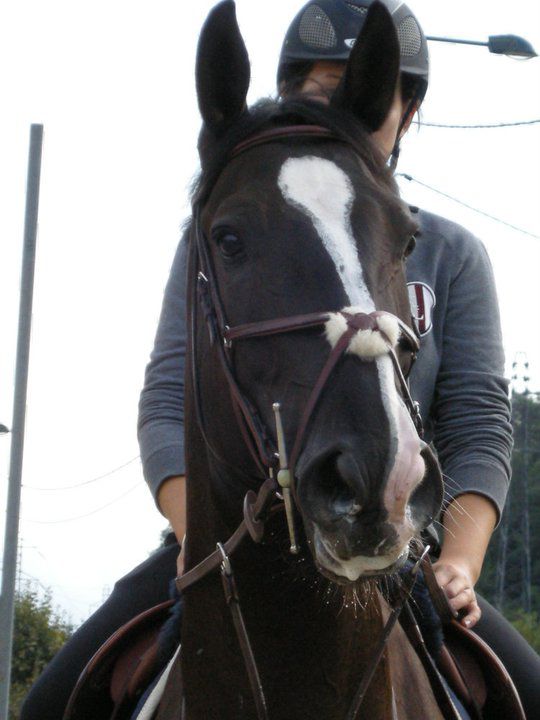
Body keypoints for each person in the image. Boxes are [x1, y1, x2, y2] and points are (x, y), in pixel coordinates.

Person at [20, 2, 540, 719]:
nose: (342, 116)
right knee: (53, 700)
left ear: (409, 115)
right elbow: (168, 400)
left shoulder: (451, 253)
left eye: (368, 102)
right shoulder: (221, 234)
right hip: (229, 540)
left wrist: (461, 559)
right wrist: (192, 536)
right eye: (321, 94)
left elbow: (479, 421)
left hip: (395, 539)